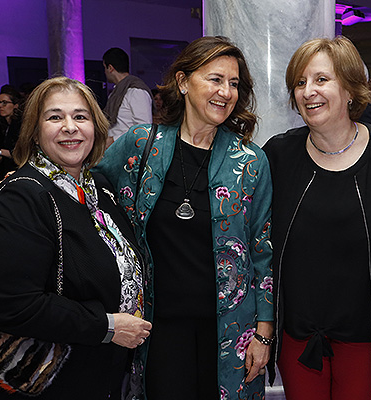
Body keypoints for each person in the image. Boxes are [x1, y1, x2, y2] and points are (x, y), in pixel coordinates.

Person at [95, 36, 273, 399]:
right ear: (182, 82)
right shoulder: (141, 145)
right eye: (215, 79)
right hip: (158, 328)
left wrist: (263, 335)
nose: (226, 92)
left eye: (234, 83)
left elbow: (262, 251)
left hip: (228, 331)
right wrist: (31, 182)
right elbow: (87, 189)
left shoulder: (250, 162)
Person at [0, 76, 152, 399]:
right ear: (35, 132)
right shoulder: (22, 196)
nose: (70, 127)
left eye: (80, 117)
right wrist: (108, 326)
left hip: (99, 376)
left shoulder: (99, 189)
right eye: (55, 117)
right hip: (46, 383)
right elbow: (13, 304)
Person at [262, 36, 371, 400]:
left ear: (350, 89)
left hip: (369, 339)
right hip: (298, 338)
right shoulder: (279, 156)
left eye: (320, 79)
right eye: (299, 83)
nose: (307, 91)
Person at [103, 47, 153, 147]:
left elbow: (144, 129)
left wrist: (113, 139)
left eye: (104, 68)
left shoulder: (136, 91)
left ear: (110, 68)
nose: (105, 72)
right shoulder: (116, 92)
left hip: (129, 152)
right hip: (114, 151)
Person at [0, 85, 24, 176]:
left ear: (15, 105)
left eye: (4, 103)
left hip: (18, 172)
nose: (0, 106)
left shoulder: (19, 125)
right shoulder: (4, 124)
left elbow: (20, 153)